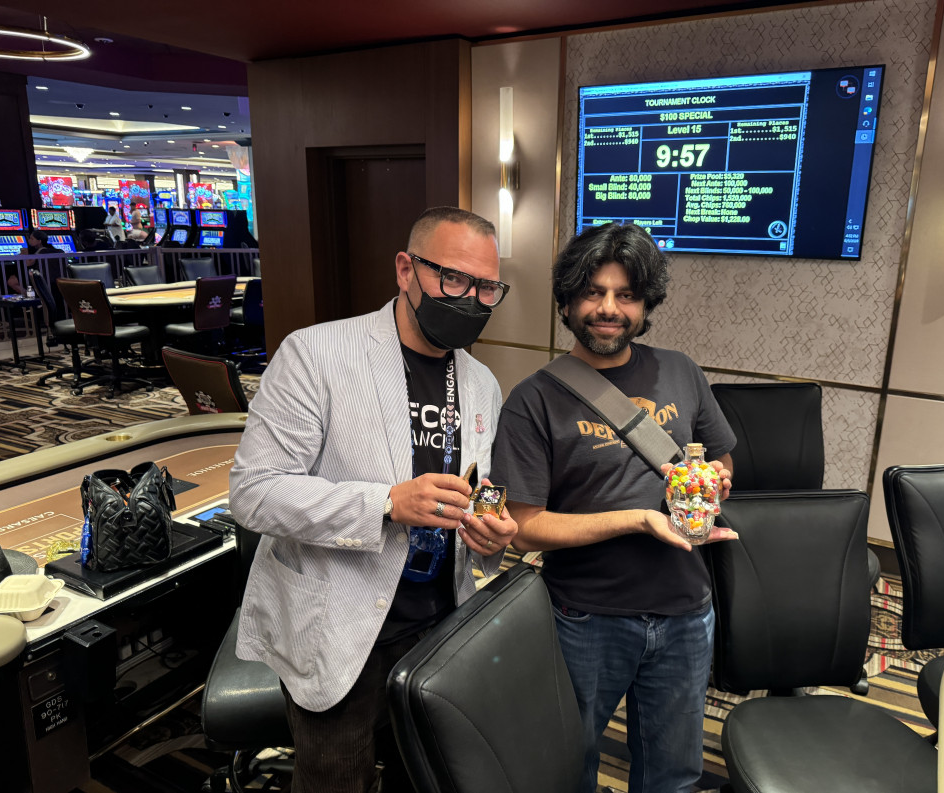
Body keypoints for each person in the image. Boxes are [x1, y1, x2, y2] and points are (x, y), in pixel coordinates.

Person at [229, 206, 519, 793]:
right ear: (405, 269)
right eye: (453, 278)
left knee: (430, 778)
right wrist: (384, 503)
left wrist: (490, 538)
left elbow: (475, 492)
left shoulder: (483, 382)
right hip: (340, 628)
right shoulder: (316, 355)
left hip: (440, 625)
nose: (470, 299)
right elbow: (253, 492)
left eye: (487, 287)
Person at [489, 222, 738, 793]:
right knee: (567, 768)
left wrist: (712, 487)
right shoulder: (534, 399)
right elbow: (523, 529)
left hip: (685, 613)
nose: (608, 308)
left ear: (646, 304)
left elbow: (721, 462)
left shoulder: (681, 370)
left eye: (625, 295)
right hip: (585, 618)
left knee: (674, 775)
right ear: (568, 301)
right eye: (593, 293)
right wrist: (639, 519)